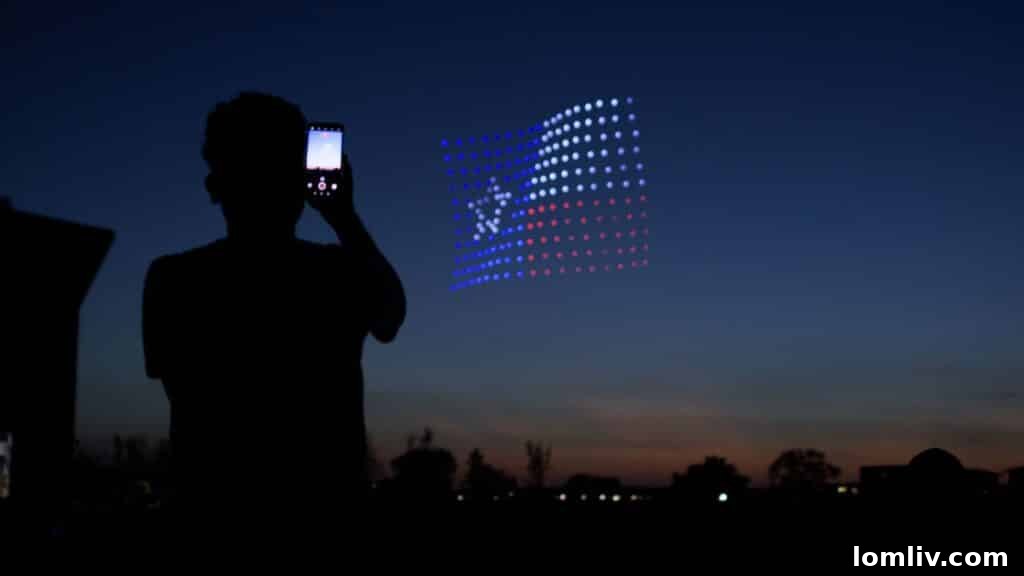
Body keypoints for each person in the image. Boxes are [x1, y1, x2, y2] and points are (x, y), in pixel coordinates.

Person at [142, 93, 405, 535]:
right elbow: (389, 317)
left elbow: (188, 397)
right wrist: (345, 218)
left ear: (215, 185)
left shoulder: (175, 278)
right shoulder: (336, 272)